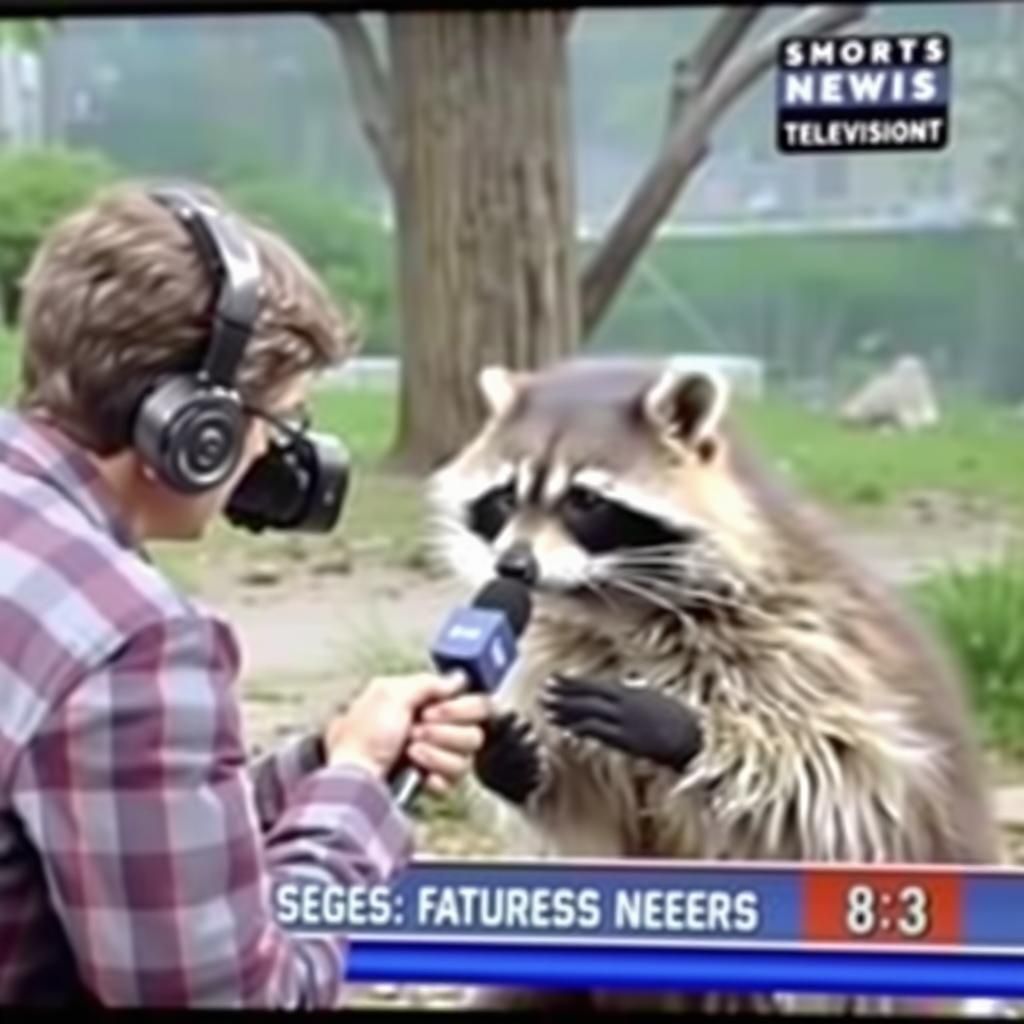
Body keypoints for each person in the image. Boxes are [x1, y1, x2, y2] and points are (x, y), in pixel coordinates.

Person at [0, 181, 492, 1008]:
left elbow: (118, 820)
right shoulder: (133, 639)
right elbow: (228, 997)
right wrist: (356, 798)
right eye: (275, 417)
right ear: (194, 426)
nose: (269, 450)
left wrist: (324, 761)